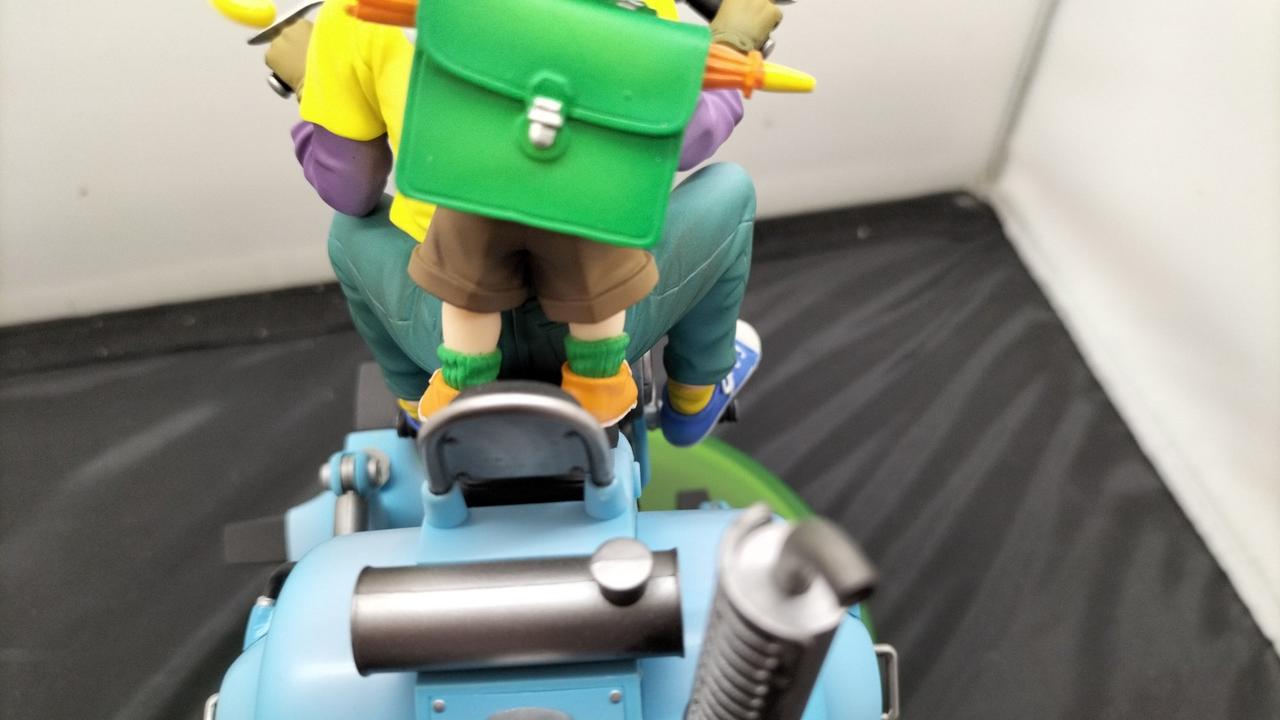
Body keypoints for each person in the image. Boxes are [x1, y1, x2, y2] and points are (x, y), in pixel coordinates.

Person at [267, 0, 778, 445]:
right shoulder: (628, 5)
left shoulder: (357, 13)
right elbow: (683, 139)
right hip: (601, 306)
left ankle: (419, 401)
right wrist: (730, 47)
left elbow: (350, 191)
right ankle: (692, 397)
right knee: (729, 190)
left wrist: (316, 80)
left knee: (349, 230)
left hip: (448, 311)